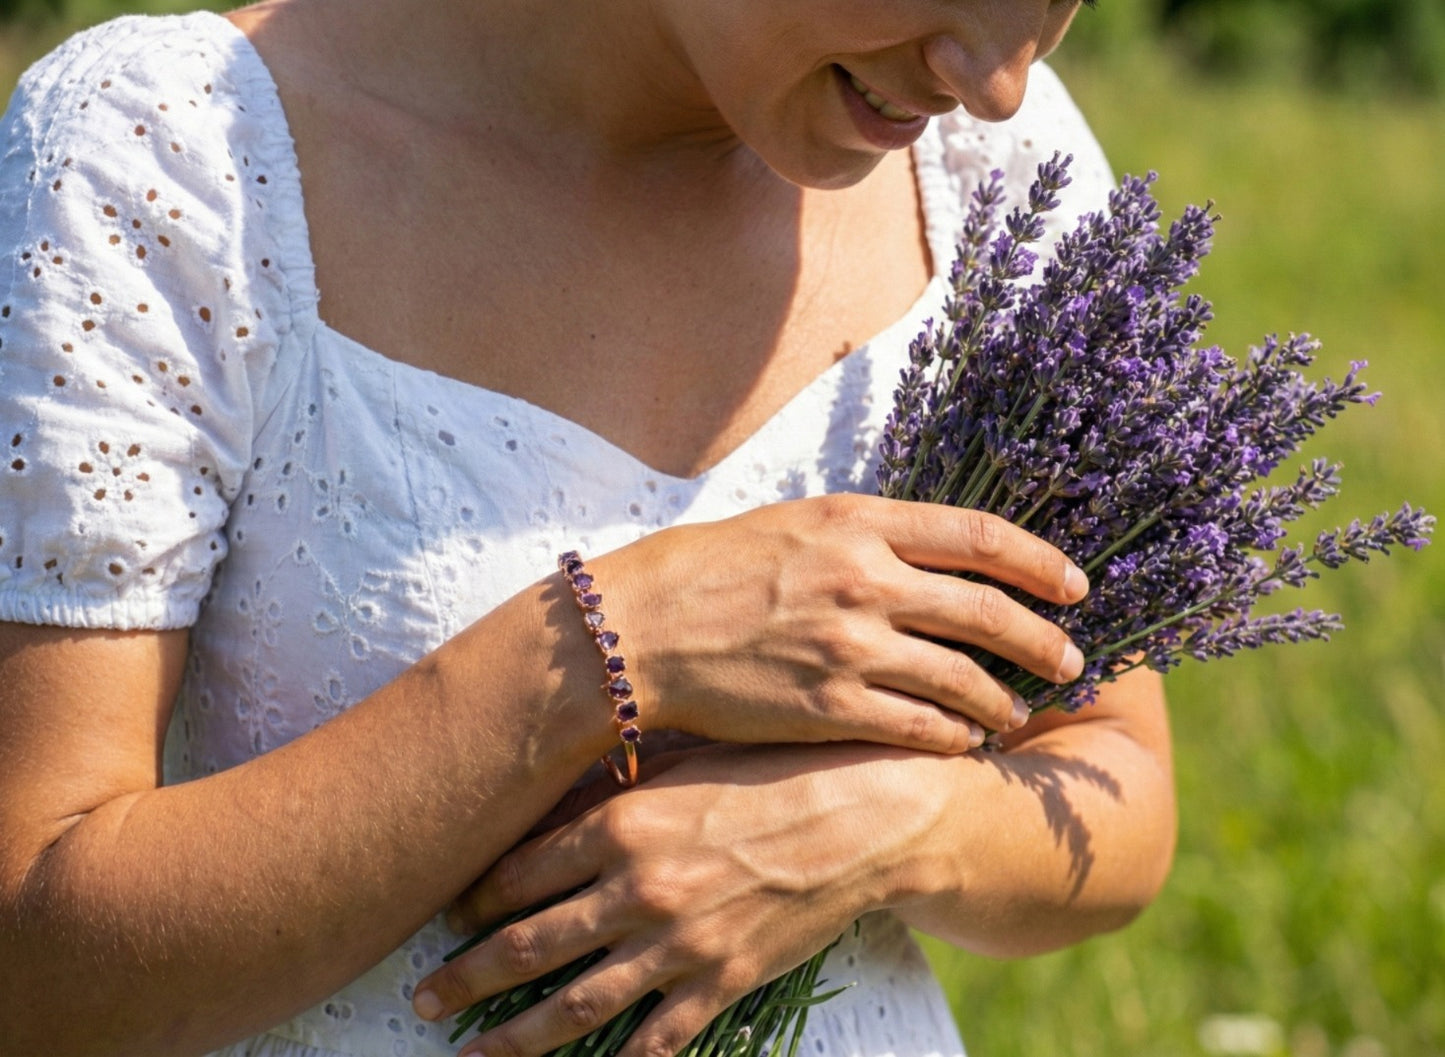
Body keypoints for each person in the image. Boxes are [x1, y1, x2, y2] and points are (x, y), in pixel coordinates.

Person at [0, 1, 1176, 1054]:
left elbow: (1115, 782)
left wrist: (883, 825)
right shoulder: (164, 159)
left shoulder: (995, 175)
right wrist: (615, 643)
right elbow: (32, 968)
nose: (998, 77)